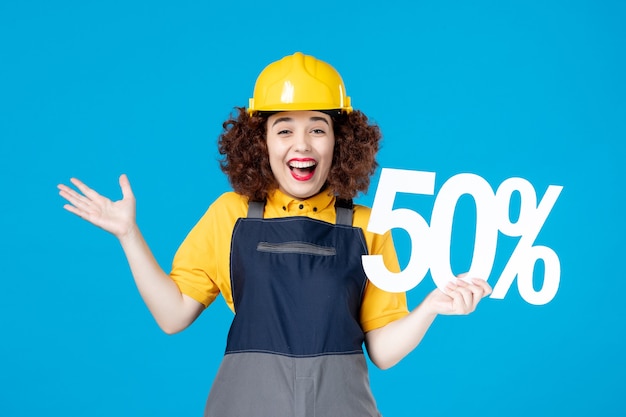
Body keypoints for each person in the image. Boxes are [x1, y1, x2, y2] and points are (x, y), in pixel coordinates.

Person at [58, 52, 492, 417]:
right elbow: (173, 317)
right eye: (284, 129)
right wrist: (129, 235)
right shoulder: (230, 215)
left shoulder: (368, 224)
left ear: (339, 141)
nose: (301, 144)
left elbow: (381, 350)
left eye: (317, 128)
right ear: (260, 141)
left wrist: (431, 307)